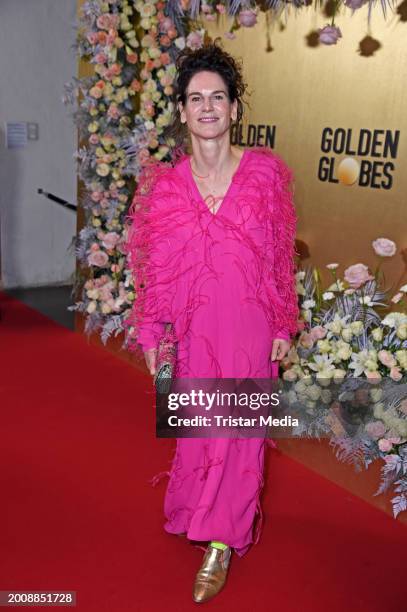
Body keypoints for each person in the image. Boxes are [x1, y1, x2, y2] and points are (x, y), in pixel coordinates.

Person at [125, 42, 299, 604]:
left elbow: (278, 256)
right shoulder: (165, 187)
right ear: (181, 110)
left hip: (249, 325)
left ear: (234, 109)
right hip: (193, 329)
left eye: (217, 98)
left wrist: (282, 323)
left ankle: (221, 543)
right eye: (195, 98)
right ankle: (195, 512)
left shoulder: (265, 175)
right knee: (200, 430)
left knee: (240, 436)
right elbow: (155, 269)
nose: (206, 108)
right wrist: (153, 333)